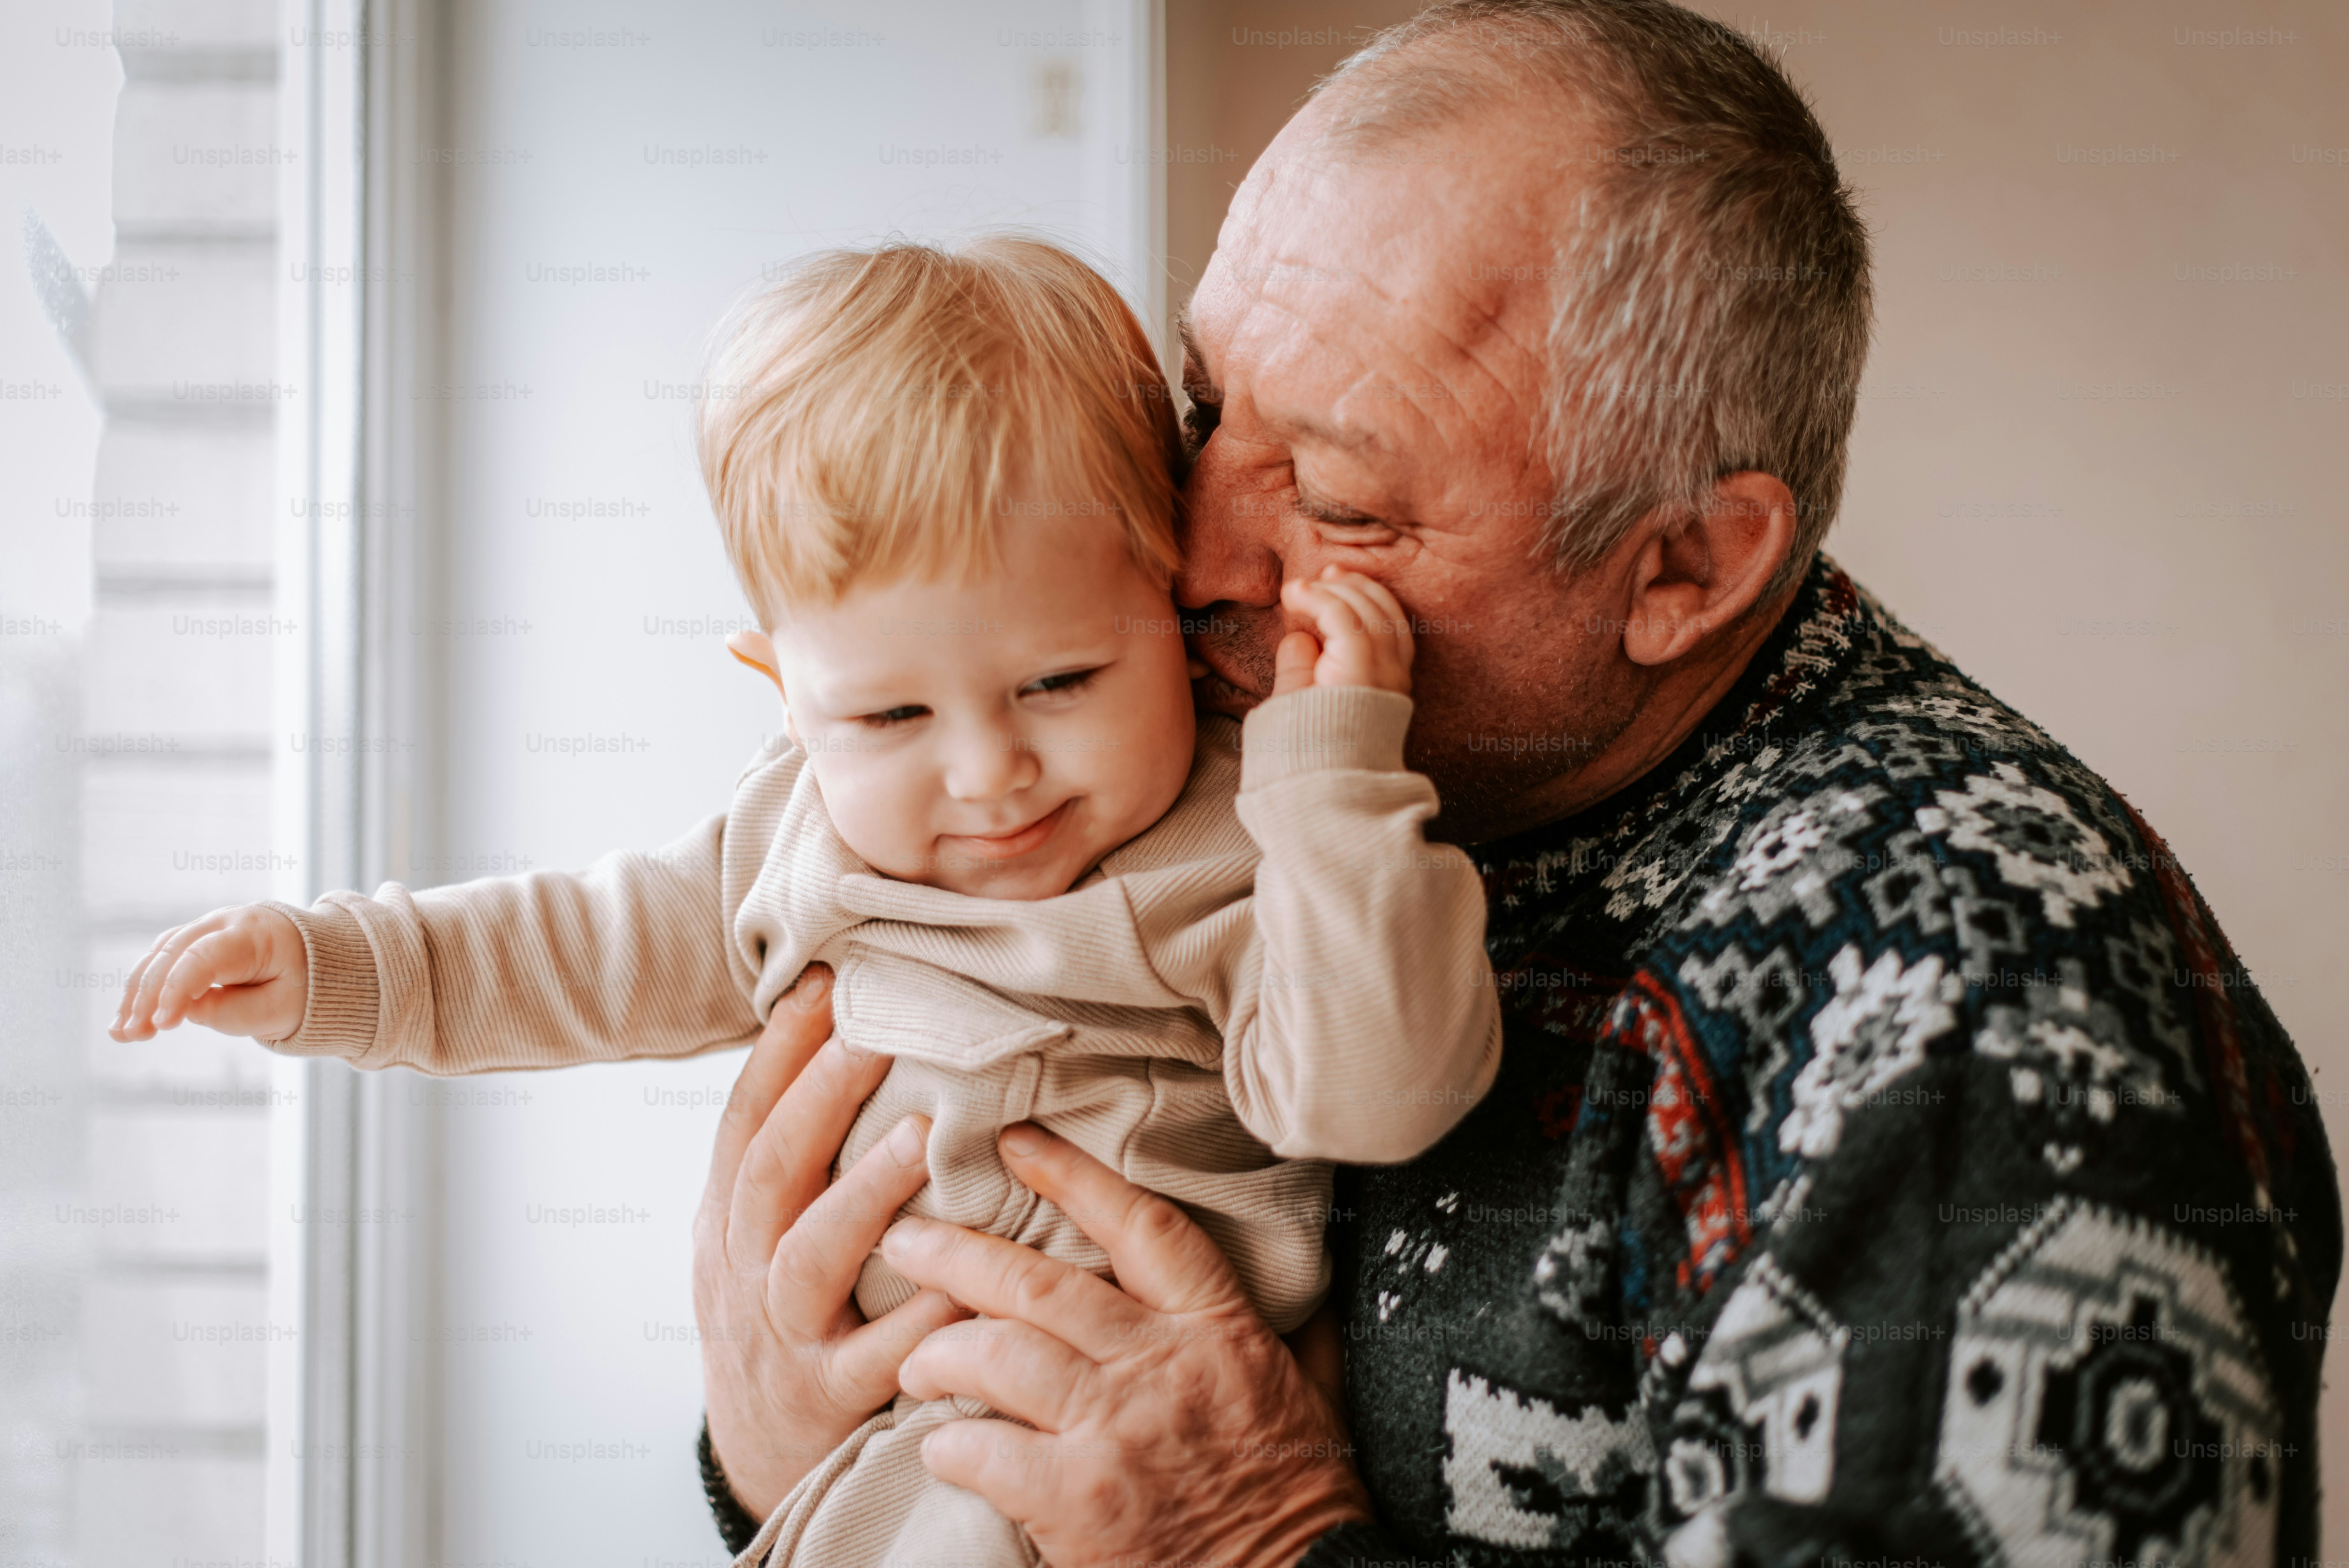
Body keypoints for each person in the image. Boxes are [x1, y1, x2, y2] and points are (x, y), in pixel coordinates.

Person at [688, 2, 2340, 1564]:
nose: (1185, 552)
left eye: (1333, 494)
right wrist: (776, 1447)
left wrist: (1260, 1540)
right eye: (1205, 409)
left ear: (1680, 565)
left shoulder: (1967, 1018)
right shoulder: (1211, 739)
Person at [105, 237, 1503, 1568]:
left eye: (1062, 681)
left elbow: (1377, 1095)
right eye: (891, 711)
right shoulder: (793, 834)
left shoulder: (1247, 842)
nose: (988, 770)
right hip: (869, 1459)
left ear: (1174, 607)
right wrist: (333, 963)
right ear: (781, 689)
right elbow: (573, 949)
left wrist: (1335, 782)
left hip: (1109, 1454)